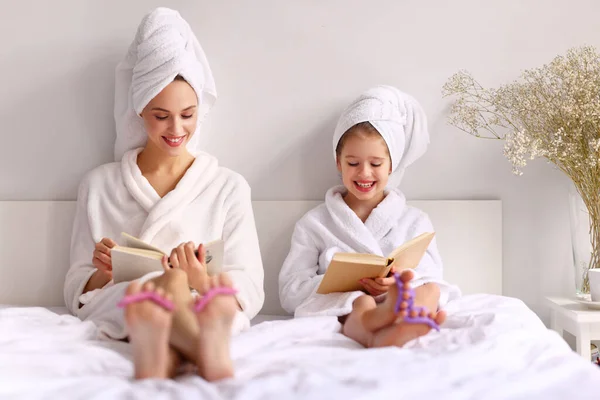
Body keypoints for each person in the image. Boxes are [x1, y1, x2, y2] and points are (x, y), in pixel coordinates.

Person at [63, 7, 264, 381]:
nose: (176, 128)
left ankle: (160, 352)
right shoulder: (98, 185)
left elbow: (250, 282)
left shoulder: (228, 187)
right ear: (139, 111)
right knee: (159, 288)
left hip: (199, 296)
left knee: (176, 287)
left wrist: (199, 280)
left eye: (188, 114)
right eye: (161, 115)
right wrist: (102, 274)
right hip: (124, 300)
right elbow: (76, 287)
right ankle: (205, 347)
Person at [278, 85, 460, 348]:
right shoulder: (314, 223)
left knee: (430, 290)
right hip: (348, 306)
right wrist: (350, 287)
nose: (364, 173)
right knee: (359, 301)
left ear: (392, 165)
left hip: (399, 300)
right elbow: (290, 290)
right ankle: (371, 327)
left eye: (375, 164)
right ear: (338, 162)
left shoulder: (415, 221)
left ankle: (404, 321)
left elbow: (431, 275)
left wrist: (394, 285)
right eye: (353, 163)